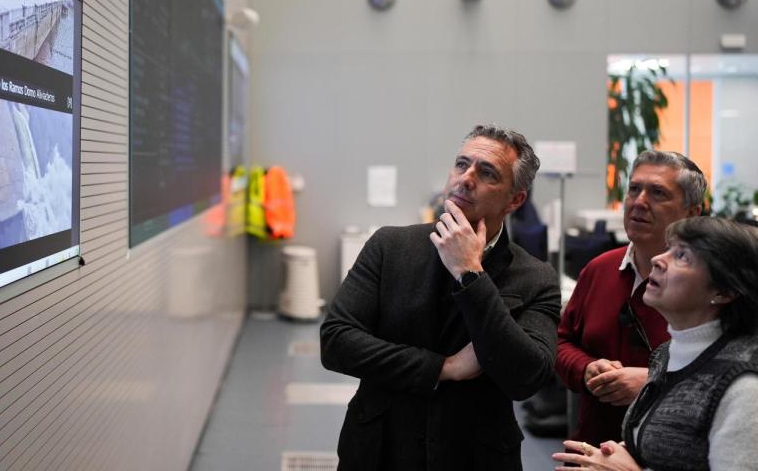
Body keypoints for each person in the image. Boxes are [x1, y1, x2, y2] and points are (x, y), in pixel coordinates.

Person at [321, 125, 560, 470]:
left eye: (487, 173)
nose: (466, 178)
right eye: (462, 164)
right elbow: (336, 342)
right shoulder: (390, 246)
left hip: (475, 456)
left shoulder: (535, 277)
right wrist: (443, 369)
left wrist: (470, 273)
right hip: (381, 449)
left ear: (515, 200)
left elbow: (526, 378)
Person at [553, 217, 758, 470]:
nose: (657, 260)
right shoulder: (666, 355)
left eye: (682, 256)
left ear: (723, 292)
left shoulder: (745, 386)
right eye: (669, 249)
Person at [555, 151, 706, 446]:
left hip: (667, 455)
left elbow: (727, 376)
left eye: (658, 193)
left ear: (691, 214)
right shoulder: (598, 269)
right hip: (592, 451)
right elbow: (562, 342)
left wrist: (653, 384)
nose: (639, 201)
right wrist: (586, 369)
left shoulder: (710, 287)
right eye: (634, 189)